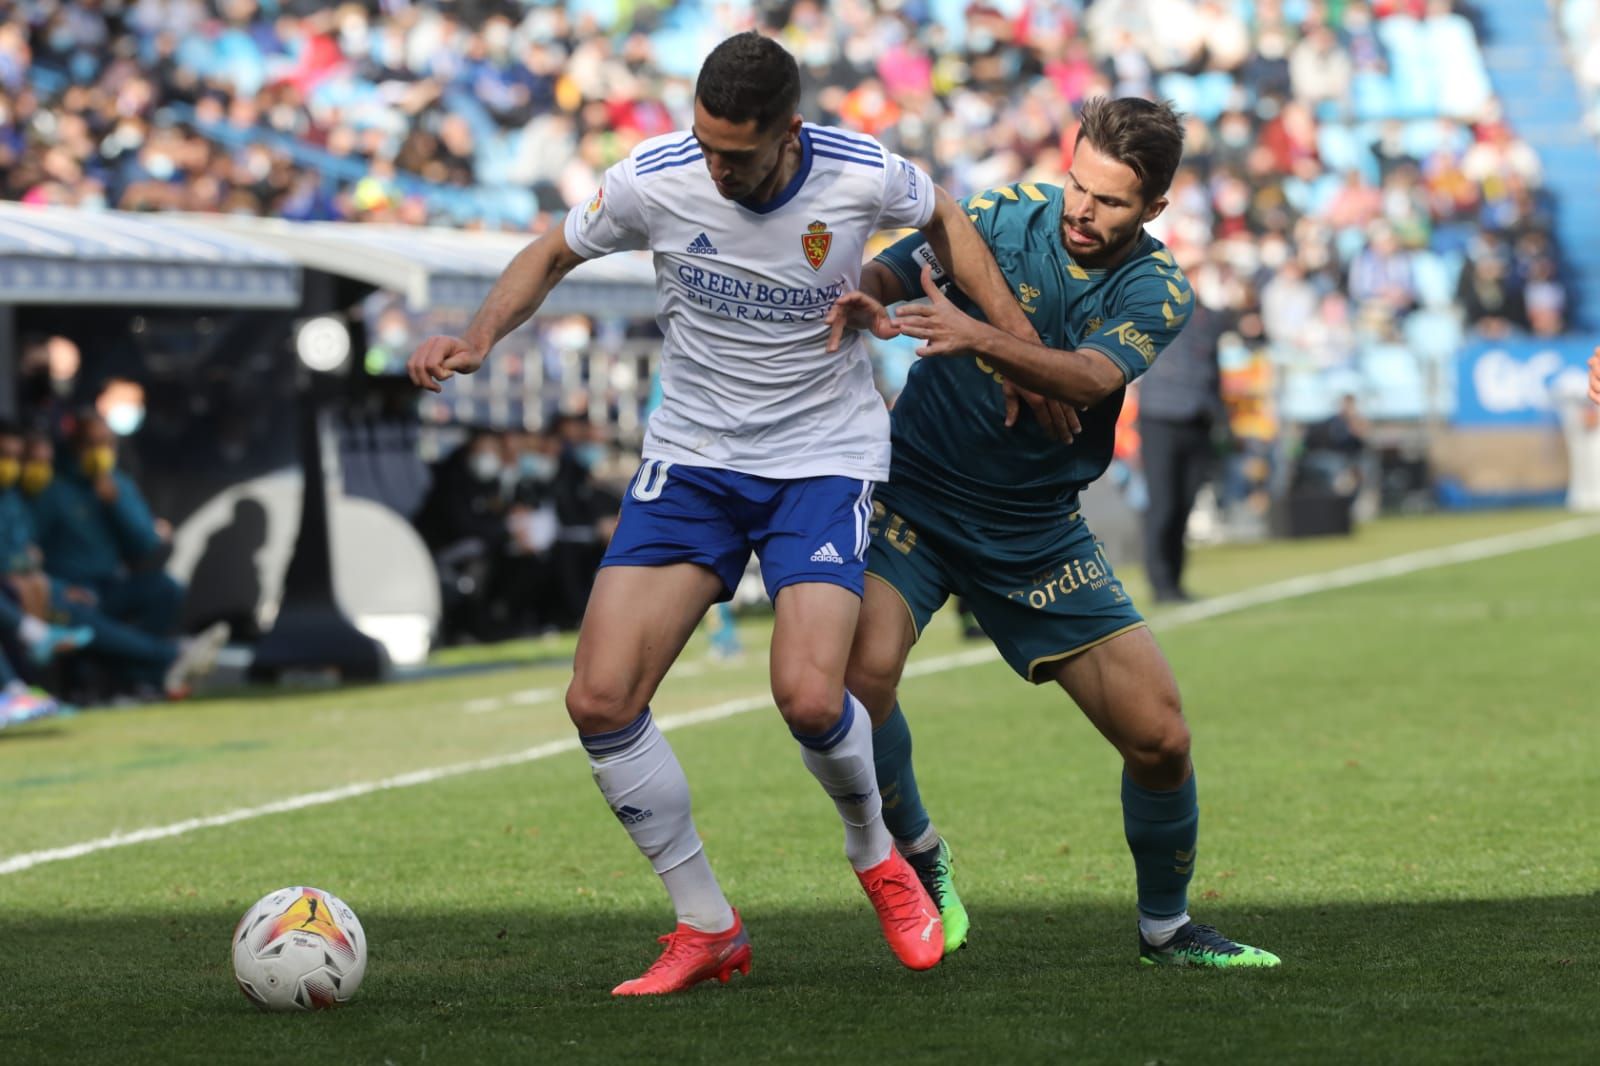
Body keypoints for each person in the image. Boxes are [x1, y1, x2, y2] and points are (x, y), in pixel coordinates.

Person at [408, 31, 1034, 994]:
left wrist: (1009, 343)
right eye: (705, 145)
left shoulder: (862, 173)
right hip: (694, 462)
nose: (716, 167)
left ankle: (878, 859)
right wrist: (480, 337)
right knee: (600, 699)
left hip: (821, 463)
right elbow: (552, 253)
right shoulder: (655, 177)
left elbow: (945, 214)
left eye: (735, 154)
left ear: (790, 132)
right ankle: (707, 924)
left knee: (813, 697)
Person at [827, 96, 1280, 968]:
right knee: (859, 679)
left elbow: (1081, 380)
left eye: (1109, 201)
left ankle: (1167, 930)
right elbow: (896, 262)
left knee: (1161, 737)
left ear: (1153, 209)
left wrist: (981, 336)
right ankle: (921, 854)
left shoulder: (1159, 289)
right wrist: (867, 300)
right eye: (1078, 185)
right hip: (914, 499)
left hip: (1034, 530)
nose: (1080, 209)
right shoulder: (1006, 213)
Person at [1136, 295, 1228, 604]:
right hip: (1160, 418)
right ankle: (1160, 582)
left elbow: (1213, 372)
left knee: (1185, 504)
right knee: (1163, 504)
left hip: (1197, 419)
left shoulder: (1208, 320)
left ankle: (1174, 581)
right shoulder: (1156, 308)